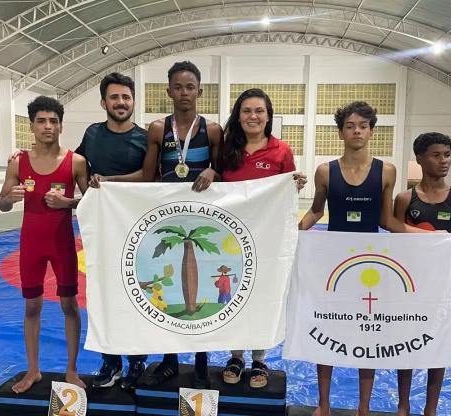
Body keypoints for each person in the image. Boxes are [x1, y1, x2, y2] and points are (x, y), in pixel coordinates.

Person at [298, 101, 424, 416]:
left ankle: (364, 407)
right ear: (341, 132)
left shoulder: (387, 171)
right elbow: (316, 211)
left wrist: (432, 237)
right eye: (350, 126)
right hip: (333, 264)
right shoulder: (325, 171)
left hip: (370, 265)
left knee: (368, 331)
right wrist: (291, 233)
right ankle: (324, 405)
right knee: (326, 329)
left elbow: (387, 220)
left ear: (371, 132)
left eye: (363, 126)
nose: (357, 131)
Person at [0, 96, 88, 393]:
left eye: (53, 121)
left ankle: (71, 370)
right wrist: (8, 199)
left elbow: (92, 202)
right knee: (32, 306)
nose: (48, 126)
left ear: (61, 125)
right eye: (41, 121)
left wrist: (68, 202)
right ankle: (33, 370)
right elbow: (2, 203)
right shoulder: (18, 162)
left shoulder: (76, 162)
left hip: (62, 244)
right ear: (32, 126)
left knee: (69, 305)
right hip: (31, 245)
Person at [218, 88, 307, 389]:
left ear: (268, 116)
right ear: (238, 116)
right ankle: (235, 356)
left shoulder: (281, 151)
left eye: (259, 111)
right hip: (231, 239)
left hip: (267, 240)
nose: (253, 116)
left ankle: (259, 358)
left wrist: (295, 184)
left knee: (262, 295)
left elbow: (287, 192)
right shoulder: (226, 150)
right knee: (234, 294)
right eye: (246, 111)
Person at [141, 61, 222, 388]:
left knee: (200, 287)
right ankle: (169, 360)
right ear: (169, 91)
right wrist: (108, 182)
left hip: (201, 221)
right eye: (178, 87)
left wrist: (213, 170)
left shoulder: (212, 130)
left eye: (190, 87)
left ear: (199, 91)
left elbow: (225, 171)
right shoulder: (157, 129)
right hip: (168, 221)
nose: (184, 93)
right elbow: (147, 176)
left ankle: (202, 360)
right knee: (170, 288)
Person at [75, 72, 149, 390]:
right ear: (104, 102)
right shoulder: (92, 134)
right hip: (103, 228)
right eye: (115, 97)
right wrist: (25, 155)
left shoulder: (145, 137)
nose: (121, 102)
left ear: (133, 101)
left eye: (126, 97)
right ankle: (110, 361)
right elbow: (75, 163)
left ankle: (136, 361)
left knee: (136, 293)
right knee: (103, 293)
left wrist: (110, 181)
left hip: (137, 229)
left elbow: (151, 175)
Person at [394, 132, 451, 416]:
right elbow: (397, 244)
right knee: (405, 343)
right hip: (409, 288)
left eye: (447, 155)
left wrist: (447, 281)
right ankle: (403, 405)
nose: (444, 161)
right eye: (436, 155)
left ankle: (431, 409)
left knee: (437, 345)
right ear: (420, 159)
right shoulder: (405, 199)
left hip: (439, 291)